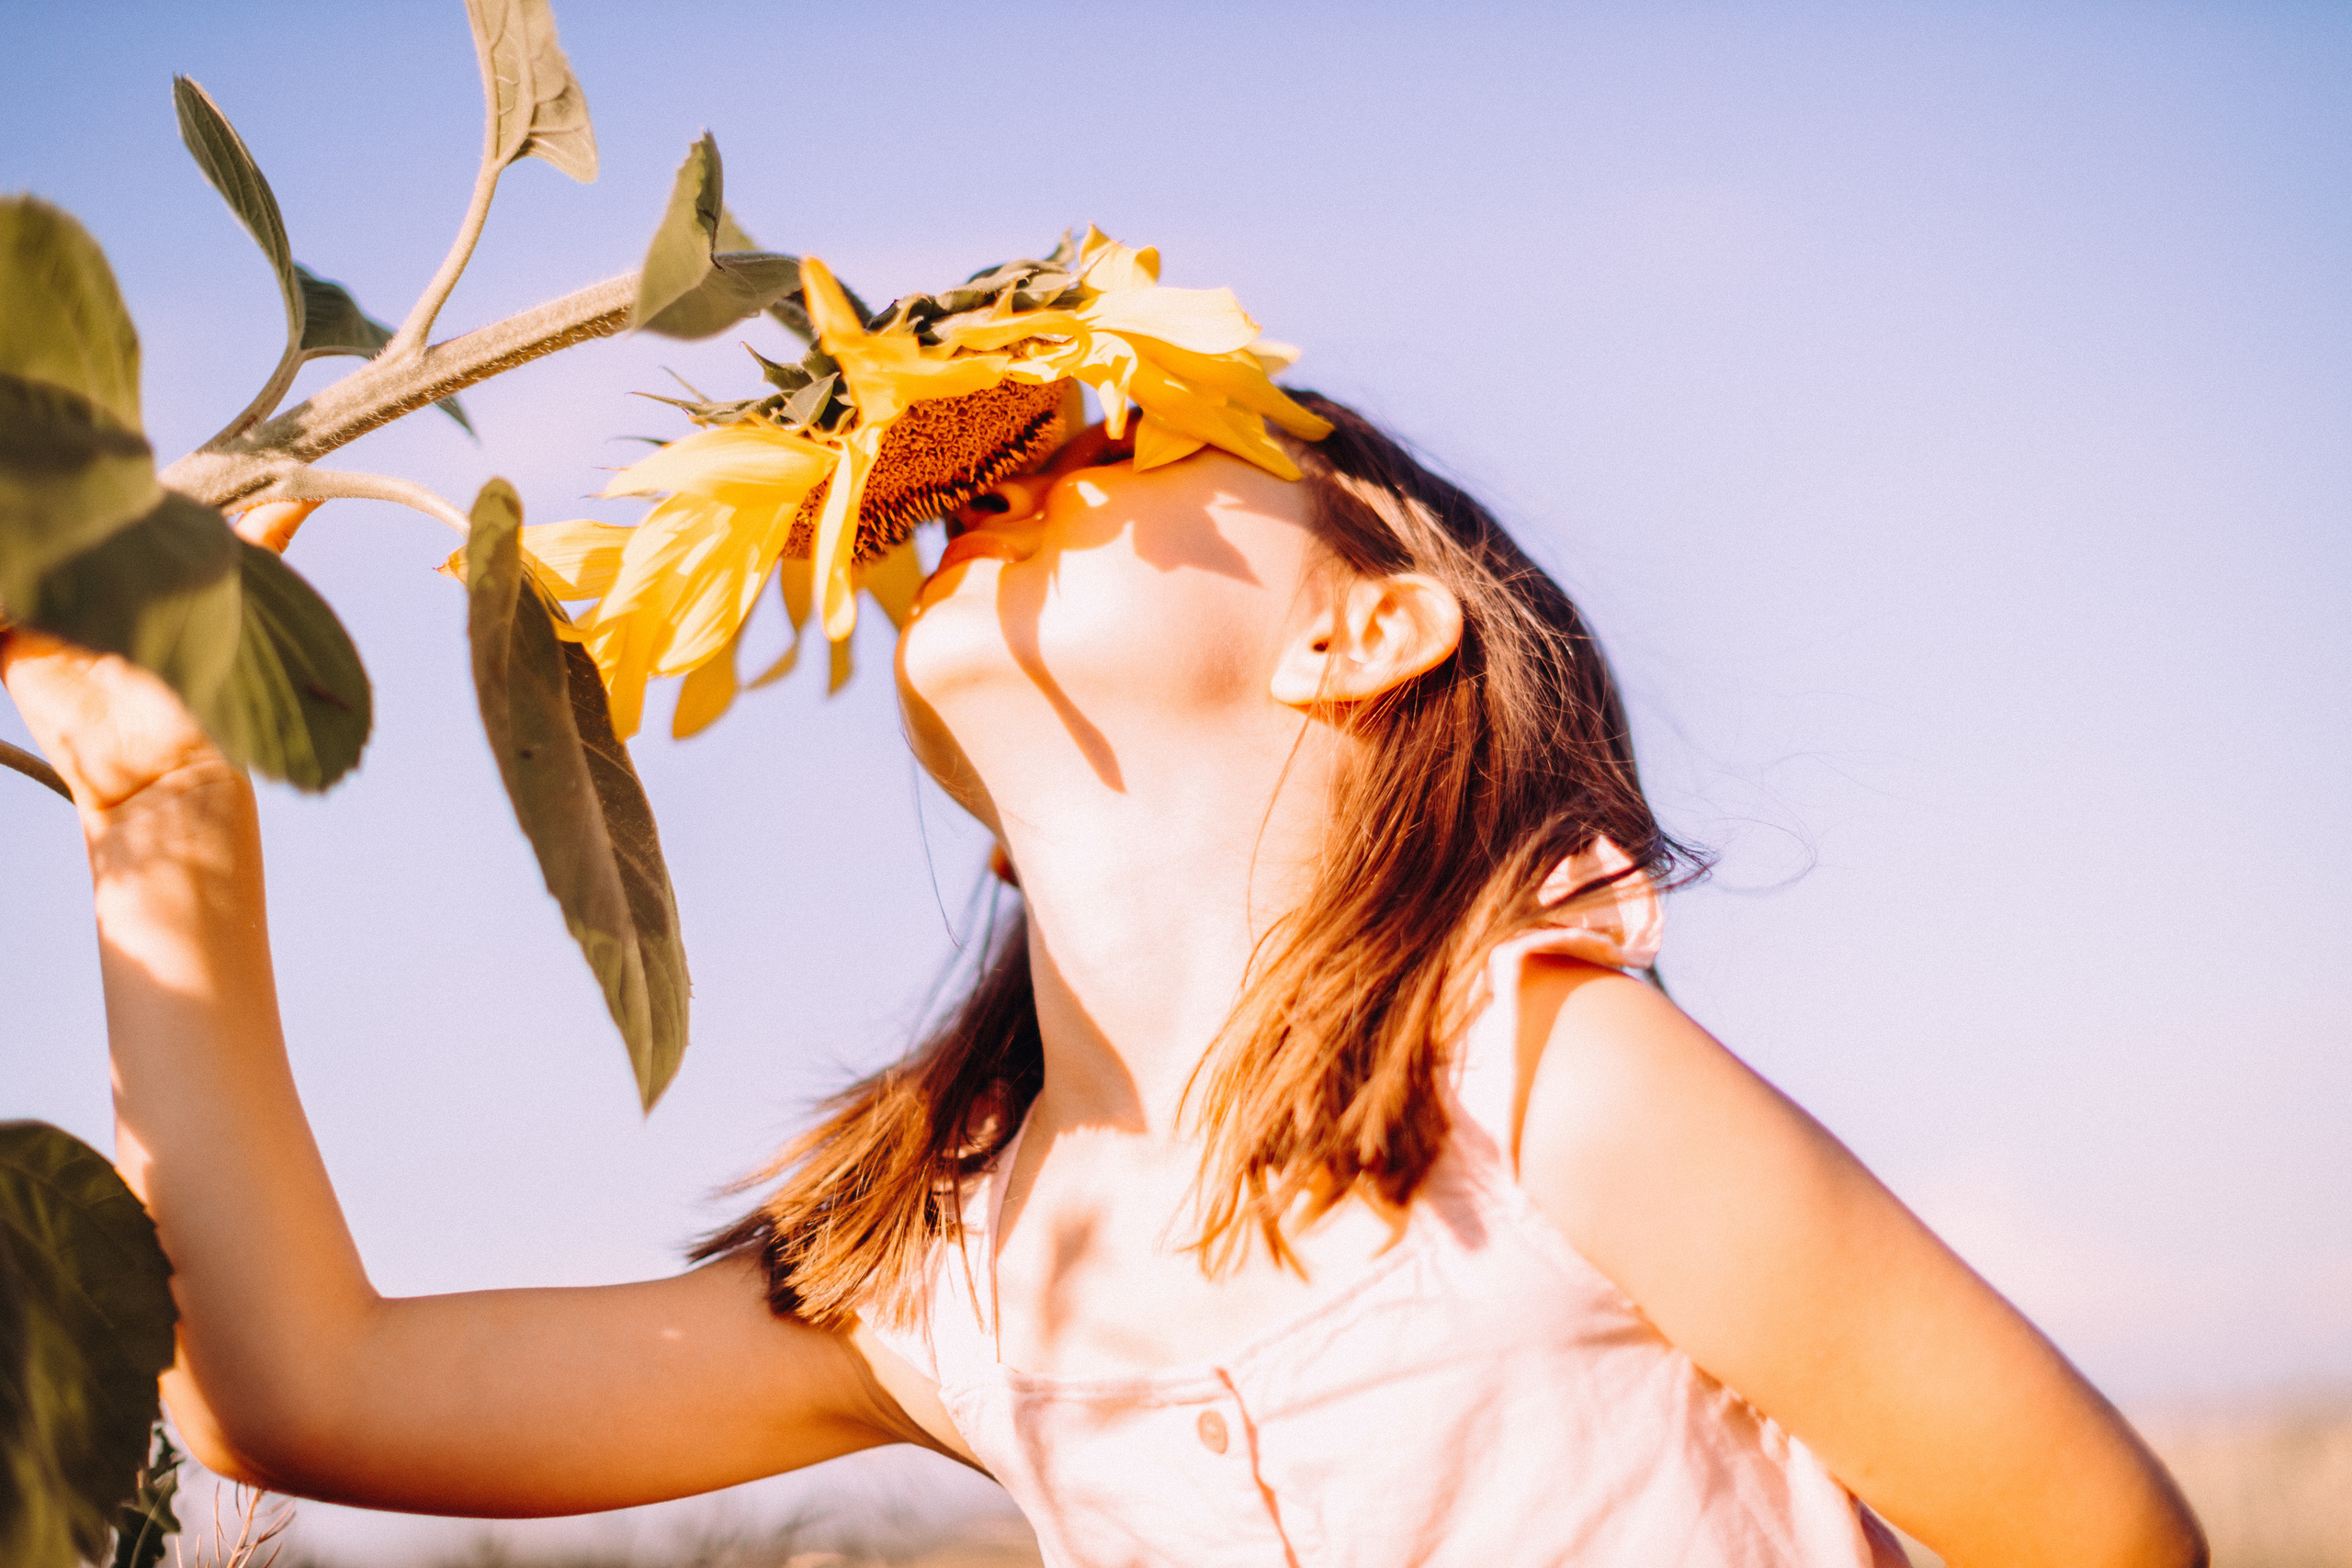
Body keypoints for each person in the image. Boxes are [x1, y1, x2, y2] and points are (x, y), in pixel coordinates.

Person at [1, 394, 2204, 1567]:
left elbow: (2097, 1536)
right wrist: (154, 795)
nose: (1006, 432)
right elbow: (302, 1387)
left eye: (1132, 424)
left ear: (1370, 626)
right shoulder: (963, 1266)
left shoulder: (1540, 1079)